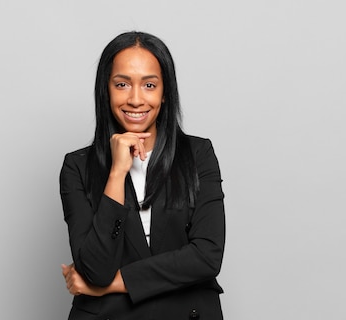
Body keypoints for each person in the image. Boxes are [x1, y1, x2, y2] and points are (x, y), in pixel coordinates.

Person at [59, 31, 225, 320]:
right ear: (106, 90)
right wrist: (117, 172)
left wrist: (110, 285)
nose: (136, 99)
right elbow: (95, 269)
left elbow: (206, 256)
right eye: (122, 84)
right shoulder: (78, 167)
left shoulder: (197, 154)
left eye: (149, 85)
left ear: (164, 94)